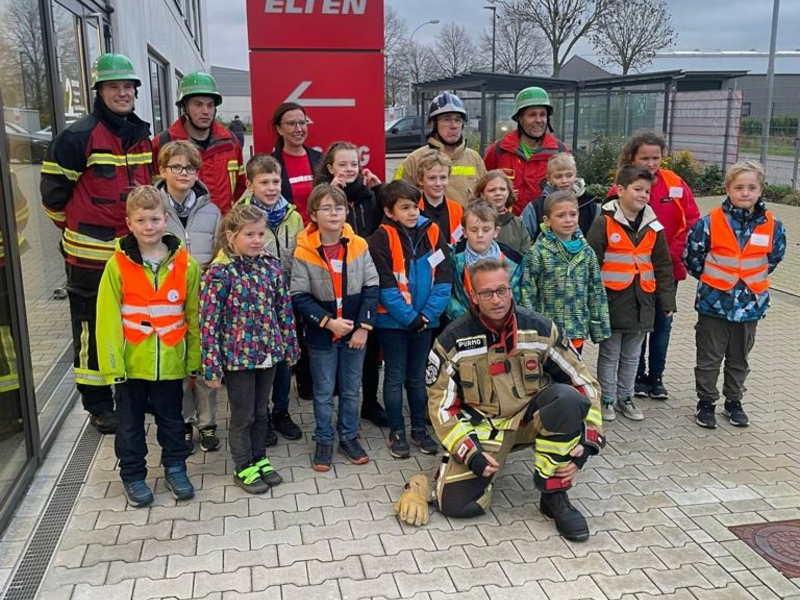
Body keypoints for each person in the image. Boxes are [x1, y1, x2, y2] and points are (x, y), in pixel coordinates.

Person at [395, 258, 604, 542]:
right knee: (458, 506)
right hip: (483, 430)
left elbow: (583, 382)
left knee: (567, 399)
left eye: (502, 290)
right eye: (487, 293)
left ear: (511, 290)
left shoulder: (540, 329)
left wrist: (589, 439)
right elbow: (441, 406)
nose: (497, 300)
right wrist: (470, 454)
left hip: (530, 419)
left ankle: (554, 494)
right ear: (473, 296)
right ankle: (428, 482)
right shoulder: (452, 340)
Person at [41, 53, 153, 434]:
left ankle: (129, 393)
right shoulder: (78, 137)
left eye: (127, 87)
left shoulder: (140, 137)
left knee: (128, 326)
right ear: (99, 92)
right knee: (90, 330)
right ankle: (98, 404)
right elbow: (53, 200)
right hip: (89, 259)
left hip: (130, 254)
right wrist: (77, 234)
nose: (122, 93)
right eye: (113, 87)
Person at [96, 186, 199, 507]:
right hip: (131, 365)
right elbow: (107, 319)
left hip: (170, 362)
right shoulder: (117, 266)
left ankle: (175, 467)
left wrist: (193, 360)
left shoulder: (186, 265)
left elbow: (193, 316)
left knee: (172, 421)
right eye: (141, 220)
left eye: (155, 218)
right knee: (129, 427)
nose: (149, 226)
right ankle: (133, 475)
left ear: (166, 220)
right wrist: (113, 367)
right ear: (129, 223)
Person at [200, 204, 299, 493]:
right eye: (249, 234)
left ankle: (260, 459)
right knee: (243, 415)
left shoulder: (270, 265)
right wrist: (212, 366)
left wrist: (290, 345)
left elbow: (283, 309)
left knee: (261, 411)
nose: (257, 240)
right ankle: (243, 466)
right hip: (238, 359)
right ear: (231, 236)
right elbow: (209, 322)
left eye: (261, 233)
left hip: (268, 354)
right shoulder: (220, 273)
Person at [684, 161, 785, 429]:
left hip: (750, 304)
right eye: (739, 187)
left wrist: (747, 282)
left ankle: (733, 402)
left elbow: (774, 258)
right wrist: (716, 284)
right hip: (713, 304)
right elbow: (693, 258)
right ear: (728, 188)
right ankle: (706, 403)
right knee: (709, 357)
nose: (745, 193)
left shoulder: (773, 225)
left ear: (761, 190)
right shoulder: (709, 223)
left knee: (739, 358)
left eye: (752, 187)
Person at [291, 184, 380, 471]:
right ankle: (324, 439)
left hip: (355, 333)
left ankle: (349, 437)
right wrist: (329, 323)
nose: (334, 213)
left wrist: (363, 328)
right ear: (313, 215)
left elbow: (372, 286)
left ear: (346, 212)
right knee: (324, 391)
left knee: (352, 390)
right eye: (326, 208)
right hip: (322, 335)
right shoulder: (304, 250)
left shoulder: (359, 245)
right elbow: (299, 296)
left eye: (339, 208)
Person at [613, 131, 701, 401]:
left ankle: (656, 378)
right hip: (633, 273)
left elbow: (693, 220)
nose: (651, 164)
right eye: (645, 158)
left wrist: (671, 254)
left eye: (656, 157)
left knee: (663, 325)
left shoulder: (675, 183)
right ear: (632, 157)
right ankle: (636, 377)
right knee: (636, 325)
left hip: (665, 271)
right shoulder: (622, 185)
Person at [368, 181, 452, 459]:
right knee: (394, 377)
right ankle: (397, 432)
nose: (413, 212)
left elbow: (444, 277)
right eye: (405, 208)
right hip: (392, 324)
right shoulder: (380, 238)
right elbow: (385, 285)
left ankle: (419, 429)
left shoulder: (433, 231)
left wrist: (428, 314)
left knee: (417, 378)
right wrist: (410, 317)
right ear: (389, 211)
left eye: (415, 206)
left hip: (425, 322)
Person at [586, 166, 676, 422]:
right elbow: (591, 261)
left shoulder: (653, 226)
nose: (644, 195)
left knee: (632, 356)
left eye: (647, 191)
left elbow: (663, 266)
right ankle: (607, 398)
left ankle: (626, 397)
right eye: (638, 189)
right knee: (610, 353)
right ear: (621, 190)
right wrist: (593, 300)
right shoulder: (604, 221)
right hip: (612, 301)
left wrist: (666, 301)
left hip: (642, 303)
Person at [313, 141, 388, 427]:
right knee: (331, 348)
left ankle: (369, 402)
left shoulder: (369, 196)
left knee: (367, 343)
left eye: (353, 164)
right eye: (342, 164)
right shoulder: (322, 199)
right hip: (331, 283)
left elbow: (387, 219)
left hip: (365, 280)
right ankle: (332, 406)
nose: (348, 170)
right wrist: (332, 194)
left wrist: (380, 190)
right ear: (330, 167)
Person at [155, 141, 221, 454]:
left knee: (206, 364)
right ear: (163, 170)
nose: (184, 173)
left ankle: (207, 424)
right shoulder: (154, 210)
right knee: (179, 366)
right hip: (168, 300)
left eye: (190, 168)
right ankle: (182, 422)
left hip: (205, 299)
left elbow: (221, 252)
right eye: (177, 167)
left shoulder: (211, 210)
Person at [237, 154, 305, 443]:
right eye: (263, 182)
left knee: (282, 361)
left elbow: (301, 255)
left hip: (286, 299)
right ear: (250, 184)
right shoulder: (239, 216)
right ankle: (259, 417)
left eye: (276, 181)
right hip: (254, 303)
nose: (271, 187)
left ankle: (281, 411)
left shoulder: (294, 215)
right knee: (259, 361)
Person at [519, 191, 611, 354]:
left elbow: (596, 289)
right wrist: (530, 329)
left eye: (573, 214)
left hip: (576, 328)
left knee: (572, 374)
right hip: (547, 331)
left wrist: (599, 327)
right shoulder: (538, 252)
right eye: (561, 215)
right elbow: (527, 291)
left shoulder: (586, 251)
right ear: (547, 221)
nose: (568, 220)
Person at [152, 71, 246, 215]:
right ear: (185, 107)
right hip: (181, 231)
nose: (205, 111)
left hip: (223, 230)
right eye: (198, 105)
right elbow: (153, 192)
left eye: (210, 105)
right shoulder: (163, 144)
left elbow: (241, 188)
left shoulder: (230, 143)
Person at [484, 87, 569, 216]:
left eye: (542, 114)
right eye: (532, 115)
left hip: (546, 229)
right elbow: (483, 188)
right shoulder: (499, 150)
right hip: (506, 226)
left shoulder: (559, 151)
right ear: (520, 118)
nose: (539, 120)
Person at [394, 92, 486, 206]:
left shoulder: (474, 158)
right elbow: (394, 199)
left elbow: (486, 200)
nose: (454, 125)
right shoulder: (414, 160)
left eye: (458, 120)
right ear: (433, 124)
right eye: (447, 120)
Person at [447, 201, 523, 322]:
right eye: (474, 230)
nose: (480, 235)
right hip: (463, 323)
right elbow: (447, 293)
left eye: (486, 229)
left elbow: (516, 296)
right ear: (465, 232)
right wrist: (465, 318)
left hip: (502, 323)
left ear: (496, 232)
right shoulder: (452, 257)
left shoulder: (513, 261)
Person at [522, 153, 599, 242]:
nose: (564, 181)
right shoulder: (535, 207)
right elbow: (522, 240)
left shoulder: (591, 205)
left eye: (569, 175)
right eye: (558, 176)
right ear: (548, 178)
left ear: (575, 174)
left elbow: (596, 242)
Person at [271, 102, 322, 223]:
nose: (298, 129)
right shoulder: (271, 164)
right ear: (279, 129)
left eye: (302, 123)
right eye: (291, 124)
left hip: (318, 234)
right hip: (288, 236)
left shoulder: (319, 159)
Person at [475, 170, 530, 254]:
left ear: (508, 192)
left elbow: (527, 256)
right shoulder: (472, 220)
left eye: (502, 189)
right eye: (492, 190)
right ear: (482, 194)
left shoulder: (518, 224)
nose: (498, 193)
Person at [416, 151, 464, 245]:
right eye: (432, 178)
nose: (438, 183)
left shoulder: (457, 209)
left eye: (443, 178)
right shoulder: (414, 209)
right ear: (420, 180)